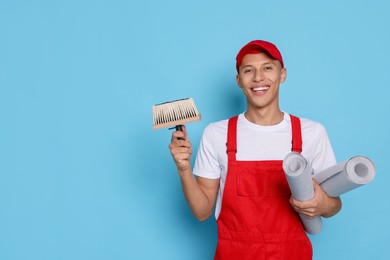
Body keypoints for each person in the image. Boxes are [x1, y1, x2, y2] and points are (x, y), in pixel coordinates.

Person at [169, 39, 342, 260]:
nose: (258, 77)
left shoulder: (312, 132)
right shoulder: (216, 134)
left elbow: (334, 206)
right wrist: (183, 168)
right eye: (249, 70)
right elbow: (202, 212)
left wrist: (322, 204)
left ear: (283, 74)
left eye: (267, 68)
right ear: (239, 80)